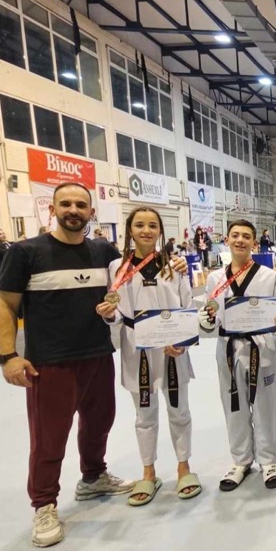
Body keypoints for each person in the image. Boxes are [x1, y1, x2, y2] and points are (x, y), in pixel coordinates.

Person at [0, 181, 189, 548]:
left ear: (91, 212)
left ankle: (93, 476)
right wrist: (8, 355)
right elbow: (5, 303)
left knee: (99, 424)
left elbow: (136, 268)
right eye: (65, 203)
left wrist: (174, 260)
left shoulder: (104, 254)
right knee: (49, 436)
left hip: (99, 354)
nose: (73, 210)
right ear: (52, 209)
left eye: (80, 205)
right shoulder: (26, 252)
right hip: (51, 359)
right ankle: (44, 504)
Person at [97, 206, 201, 506]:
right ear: (130, 230)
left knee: (179, 410)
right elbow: (117, 312)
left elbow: (187, 306)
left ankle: (184, 468)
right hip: (137, 346)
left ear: (160, 231)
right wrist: (108, 314)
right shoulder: (117, 267)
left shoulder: (175, 264)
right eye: (139, 225)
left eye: (152, 225)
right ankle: (148, 471)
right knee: (144, 414)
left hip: (172, 347)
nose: (146, 230)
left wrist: (181, 340)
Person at [199, 219, 276, 491]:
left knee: (266, 406)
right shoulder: (215, 279)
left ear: (254, 242)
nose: (240, 240)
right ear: (227, 240)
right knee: (234, 406)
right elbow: (210, 315)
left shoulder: (269, 276)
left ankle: (269, 461)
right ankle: (240, 461)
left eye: (246, 236)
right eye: (235, 235)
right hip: (229, 349)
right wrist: (206, 322)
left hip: (262, 348)